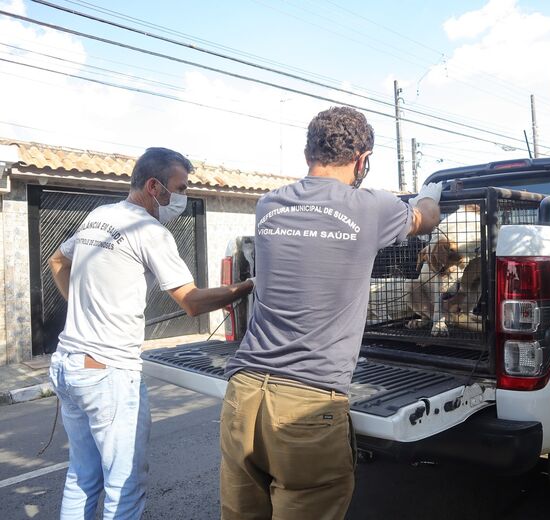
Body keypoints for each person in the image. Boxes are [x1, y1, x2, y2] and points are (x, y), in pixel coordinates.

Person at [219, 106, 442, 520]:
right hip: (307, 405)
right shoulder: (373, 207)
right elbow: (426, 219)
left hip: (243, 394)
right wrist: (431, 192)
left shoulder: (268, 205)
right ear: (363, 160)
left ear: (308, 153)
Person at [47, 147, 255, 520]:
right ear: (154, 186)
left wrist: (82, 302)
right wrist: (247, 286)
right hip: (107, 372)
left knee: (82, 475)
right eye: (180, 188)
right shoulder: (147, 230)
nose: (183, 197)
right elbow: (190, 302)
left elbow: (58, 260)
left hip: (67, 364)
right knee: (124, 485)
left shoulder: (99, 215)